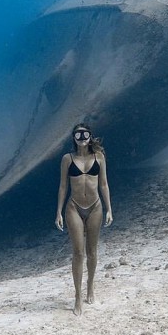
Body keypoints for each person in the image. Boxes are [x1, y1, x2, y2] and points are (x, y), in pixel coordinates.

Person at [55, 123, 113, 315]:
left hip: (96, 207)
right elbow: (63, 186)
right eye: (78, 134)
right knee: (78, 253)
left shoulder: (99, 157)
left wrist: (109, 209)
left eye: (85, 134)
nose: (82, 137)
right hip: (74, 208)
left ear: (90, 136)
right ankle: (78, 297)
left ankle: (90, 288)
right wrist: (58, 212)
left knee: (92, 252)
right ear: (74, 138)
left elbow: (104, 184)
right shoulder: (67, 159)